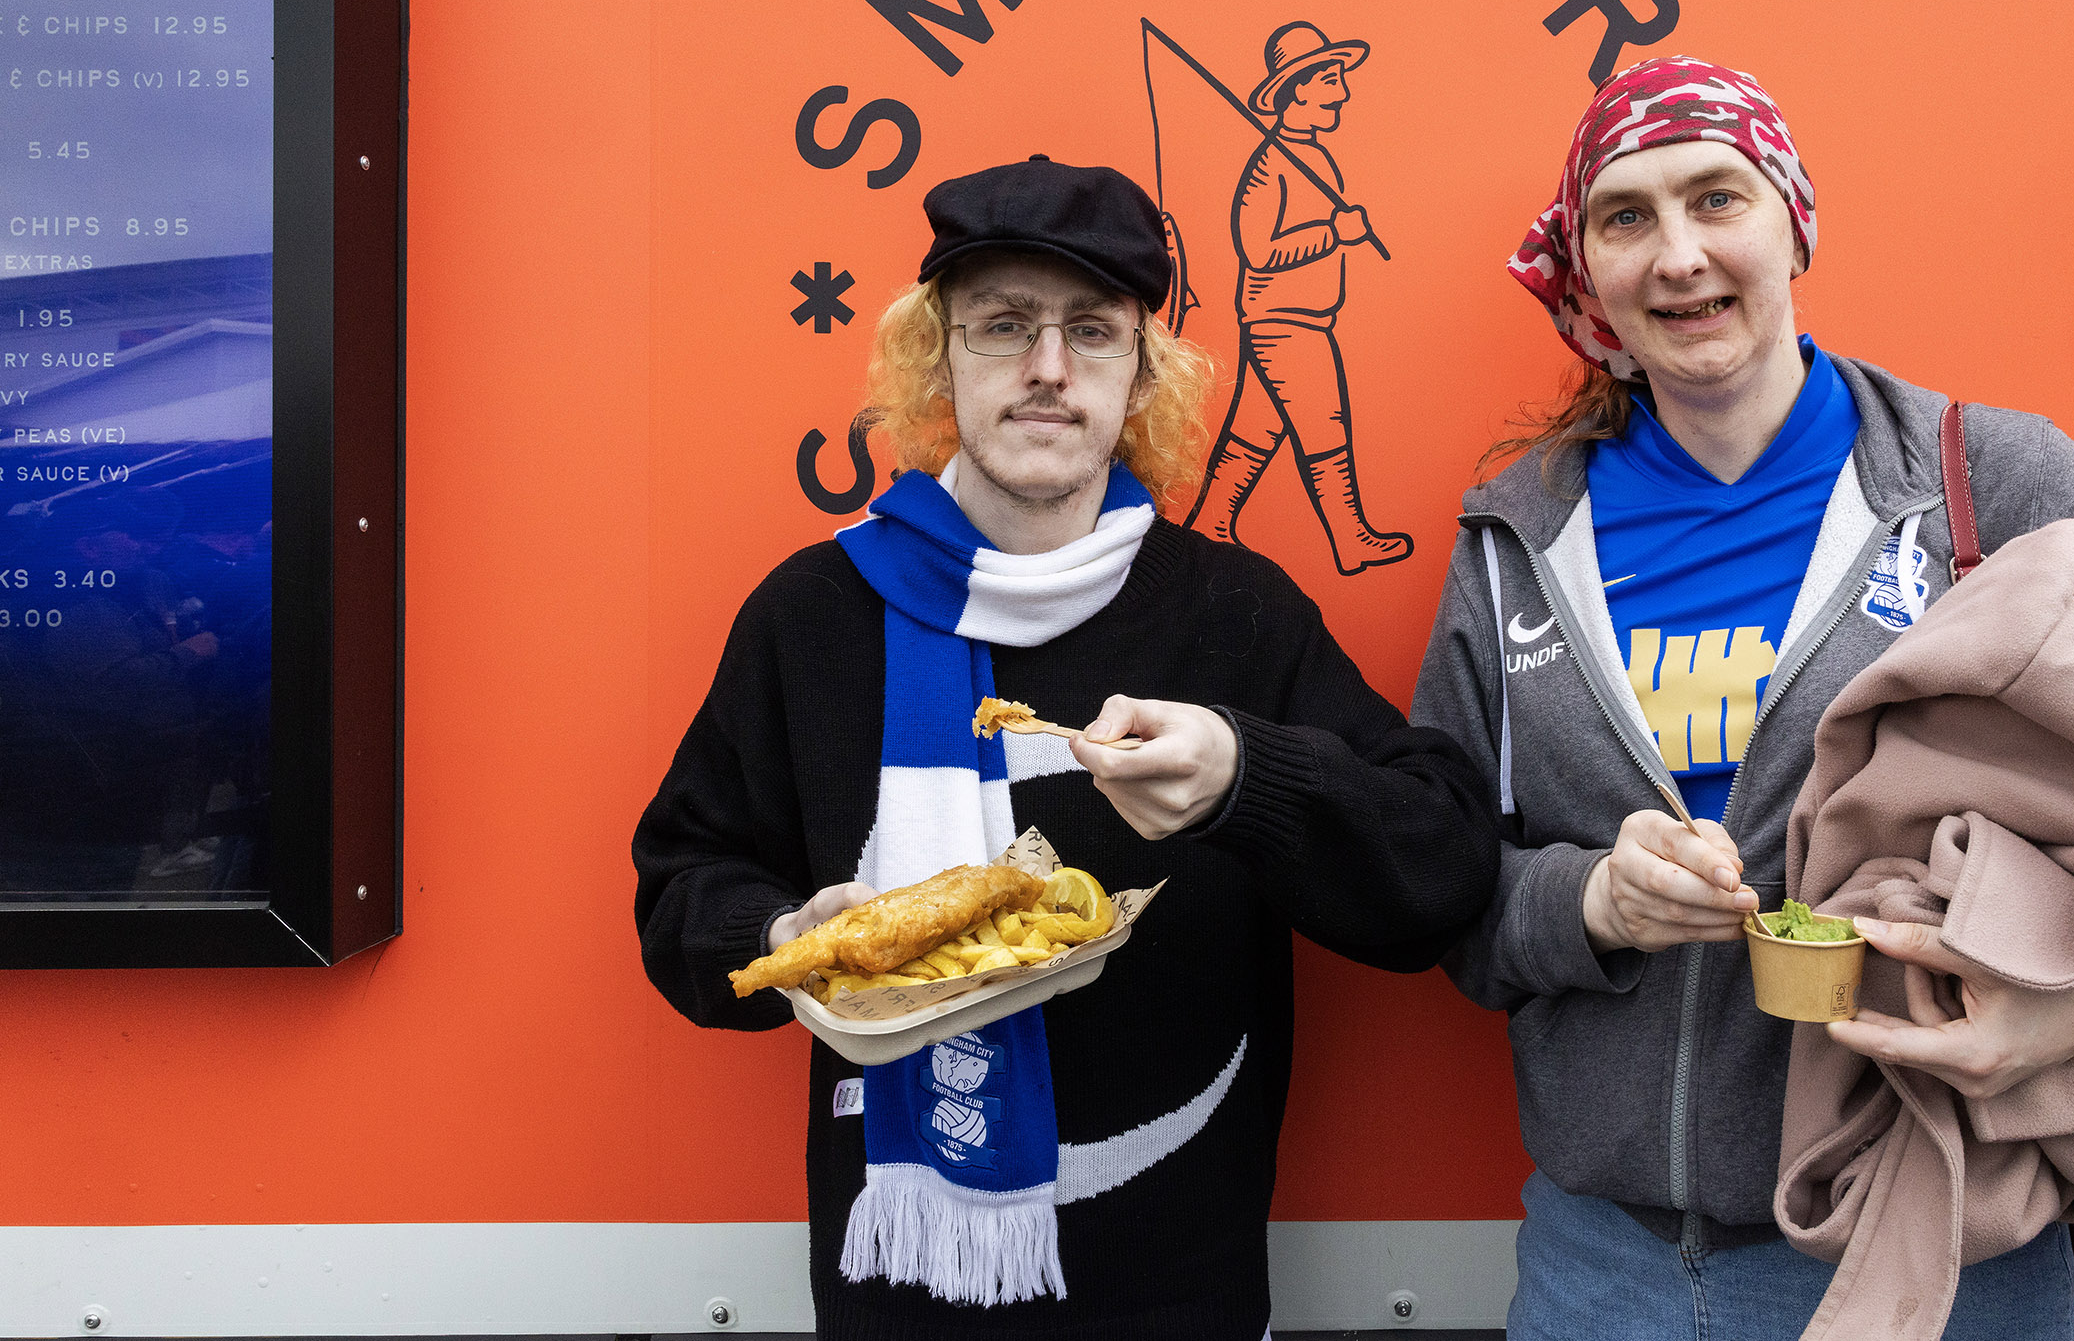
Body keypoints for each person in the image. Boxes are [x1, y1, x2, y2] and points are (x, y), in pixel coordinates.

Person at [1410, 57, 2074, 1340]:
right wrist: (1593, 904)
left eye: (1717, 198)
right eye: (1626, 218)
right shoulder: (1516, 539)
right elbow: (1447, 891)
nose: (1677, 255)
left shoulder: (1981, 488)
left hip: (1948, 1252)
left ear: (1795, 223)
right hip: (1601, 1272)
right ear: (1586, 268)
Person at [633, 155, 1494, 1341]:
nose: (1048, 367)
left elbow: (1440, 873)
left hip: (1184, 1302)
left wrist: (1248, 780)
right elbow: (680, 891)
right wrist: (788, 940)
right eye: (1003, 325)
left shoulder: (1235, 617)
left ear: (1143, 371)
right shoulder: (813, 616)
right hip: (898, 1309)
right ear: (937, 358)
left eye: (1091, 330)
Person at [1184, 21, 1411, 573]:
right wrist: (1334, 232)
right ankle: (1351, 540)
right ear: (1297, 88)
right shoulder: (1271, 164)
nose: (1343, 92)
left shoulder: (1313, 157)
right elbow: (1258, 250)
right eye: (1330, 79)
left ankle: (1207, 526)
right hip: (1285, 321)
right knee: (1324, 429)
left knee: (1254, 432)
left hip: (1297, 318)